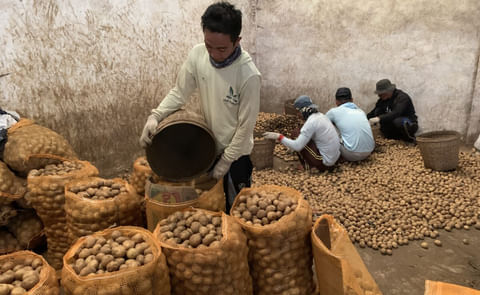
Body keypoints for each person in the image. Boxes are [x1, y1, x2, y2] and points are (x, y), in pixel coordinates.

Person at [139, 2, 261, 212]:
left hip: (237, 155)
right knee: (208, 209)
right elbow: (180, 92)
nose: (214, 53)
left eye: (222, 48)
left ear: (237, 41)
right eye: (209, 45)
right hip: (209, 148)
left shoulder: (248, 74)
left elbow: (246, 126)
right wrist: (156, 116)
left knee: (237, 208)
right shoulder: (197, 55)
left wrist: (227, 161)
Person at [263, 95, 340, 172]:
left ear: (303, 110)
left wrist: (279, 136)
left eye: (298, 112)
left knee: (296, 134)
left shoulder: (311, 122)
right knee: (300, 133)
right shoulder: (321, 116)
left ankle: (310, 166)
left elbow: (297, 146)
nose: (297, 115)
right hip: (336, 159)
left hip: (325, 163)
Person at [326, 87, 375, 161]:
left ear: (336, 102)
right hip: (369, 151)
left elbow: (321, 123)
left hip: (351, 154)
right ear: (352, 100)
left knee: (327, 125)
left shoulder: (333, 112)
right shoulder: (361, 111)